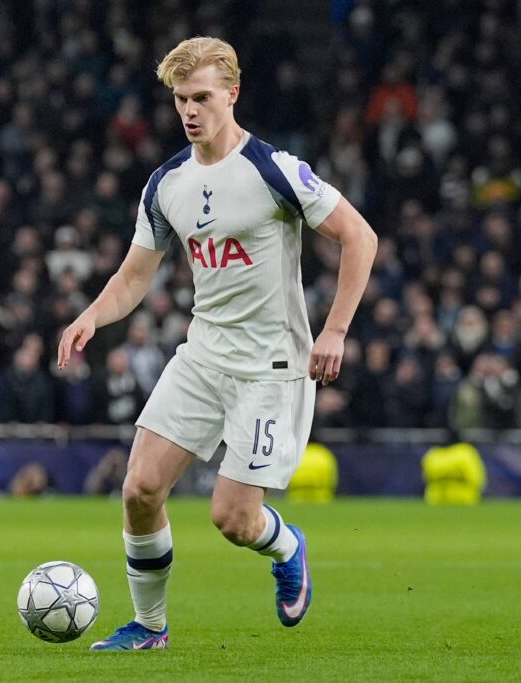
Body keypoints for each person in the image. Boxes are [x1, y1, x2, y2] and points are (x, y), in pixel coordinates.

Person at [57, 37, 377, 650]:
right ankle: (150, 627)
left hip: (270, 367)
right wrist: (92, 316)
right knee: (139, 489)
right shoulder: (166, 183)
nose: (189, 110)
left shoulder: (275, 170)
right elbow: (135, 275)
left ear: (232, 94)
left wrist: (335, 330)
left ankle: (287, 546)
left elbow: (360, 237)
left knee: (232, 519)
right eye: (181, 99)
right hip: (202, 356)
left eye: (201, 97)